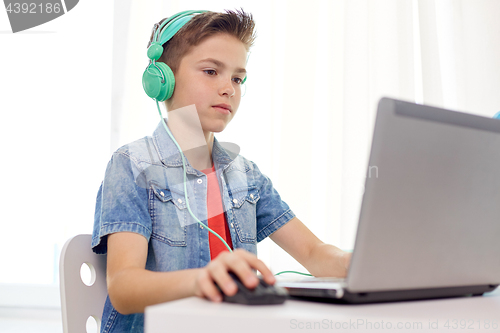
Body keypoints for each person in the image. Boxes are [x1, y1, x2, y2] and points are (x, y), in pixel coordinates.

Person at [92, 8, 351, 333]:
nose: (229, 88)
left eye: (237, 78)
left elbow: (313, 253)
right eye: (212, 71)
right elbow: (123, 288)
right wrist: (203, 279)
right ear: (163, 79)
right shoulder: (131, 165)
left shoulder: (246, 175)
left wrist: (350, 262)